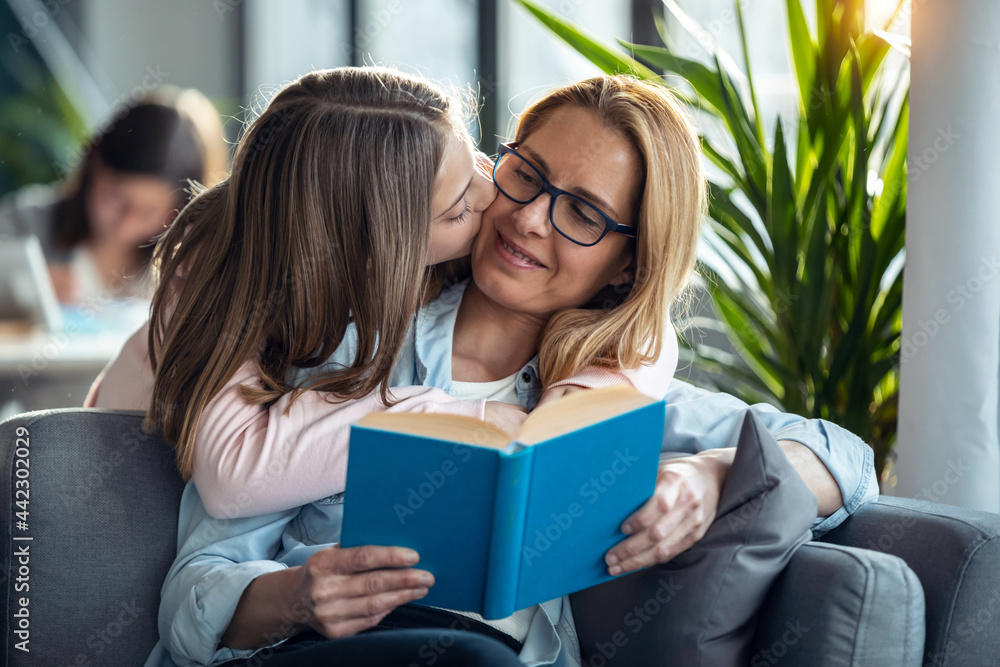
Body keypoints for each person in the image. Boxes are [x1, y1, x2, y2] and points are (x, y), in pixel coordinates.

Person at [92, 73, 875, 666]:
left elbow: (848, 457)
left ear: (623, 264)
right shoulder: (342, 343)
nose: (531, 216)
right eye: (526, 174)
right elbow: (193, 587)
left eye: (582, 213)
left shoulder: (613, 395)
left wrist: (709, 475)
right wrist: (295, 596)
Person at [0, 86, 227, 304]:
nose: (125, 223)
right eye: (117, 198)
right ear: (94, 167)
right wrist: (22, 288)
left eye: (148, 212)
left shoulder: (187, 268)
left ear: (179, 211)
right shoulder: (24, 223)